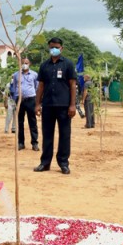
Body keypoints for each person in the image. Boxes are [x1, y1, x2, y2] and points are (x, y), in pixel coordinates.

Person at [34, 37, 77, 174]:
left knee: (64, 135)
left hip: (64, 106)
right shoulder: (44, 66)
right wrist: (37, 104)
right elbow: (40, 86)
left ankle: (63, 163)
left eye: (57, 47)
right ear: (49, 48)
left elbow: (72, 85)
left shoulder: (68, 64)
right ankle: (45, 163)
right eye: (52, 47)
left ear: (61, 48)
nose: (54, 49)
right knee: (47, 135)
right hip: (48, 105)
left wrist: (72, 105)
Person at [13, 58, 39, 151]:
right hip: (20, 100)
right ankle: (21, 143)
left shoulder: (34, 74)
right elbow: (15, 86)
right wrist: (15, 98)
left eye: (26, 63)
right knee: (20, 122)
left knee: (32, 121)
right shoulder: (16, 75)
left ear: (30, 64)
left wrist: (36, 100)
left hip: (31, 99)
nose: (24, 64)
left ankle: (34, 143)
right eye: (23, 63)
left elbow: (37, 86)